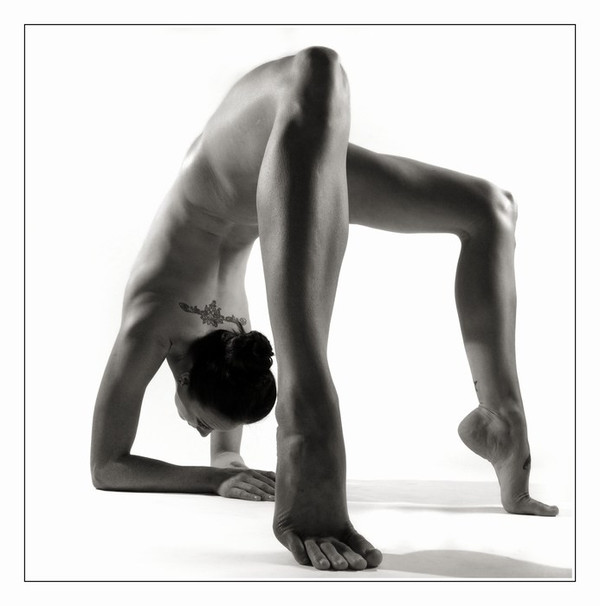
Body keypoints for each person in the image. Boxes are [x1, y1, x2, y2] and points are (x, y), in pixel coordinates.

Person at [90, 46, 559, 572]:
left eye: (201, 423)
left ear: (183, 378)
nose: (199, 431)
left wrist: (211, 480)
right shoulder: (228, 349)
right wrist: (226, 463)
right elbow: (222, 438)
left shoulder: (150, 318)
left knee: (316, 70)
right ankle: (500, 418)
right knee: (489, 210)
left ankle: (308, 421)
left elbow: (107, 466)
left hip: (233, 158)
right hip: (268, 182)